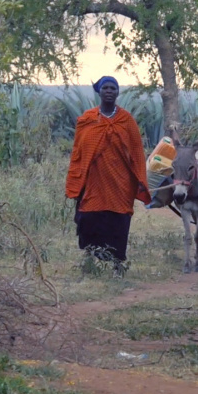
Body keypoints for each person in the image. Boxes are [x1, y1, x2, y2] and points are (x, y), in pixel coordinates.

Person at [65, 76, 151, 273]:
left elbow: (137, 152)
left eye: (113, 88)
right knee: (88, 218)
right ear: (99, 92)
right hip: (94, 181)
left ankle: (118, 263)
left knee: (118, 221)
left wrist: (140, 179)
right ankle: (91, 259)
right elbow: (78, 152)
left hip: (120, 183)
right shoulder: (87, 119)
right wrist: (76, 180)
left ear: (118, 92)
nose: (110, 91)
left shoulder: (126, 120)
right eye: (106, 88)